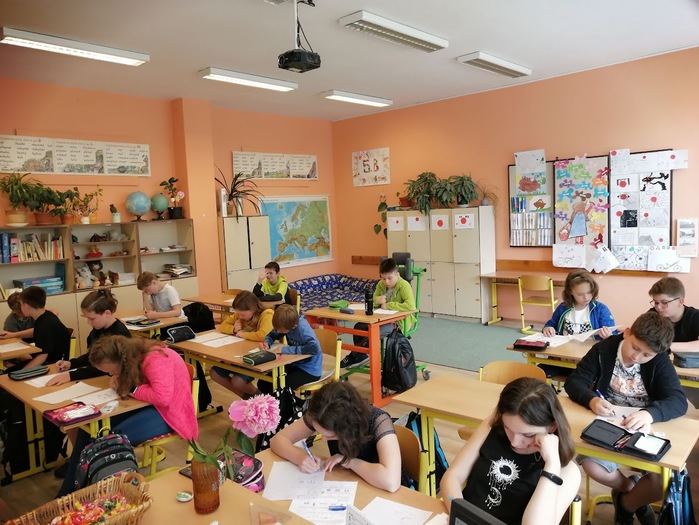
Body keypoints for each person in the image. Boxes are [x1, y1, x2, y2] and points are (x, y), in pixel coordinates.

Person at [564, 311, 687, 525]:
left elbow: (678, 400)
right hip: (609, 425)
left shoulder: (659, 360)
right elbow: (574, 382)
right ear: (627, 333)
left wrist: (649, 413)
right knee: (592, 466)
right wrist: (592, 400)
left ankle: (626, 505)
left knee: (661, 482)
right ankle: (630, 490)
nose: (637, 357)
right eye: (635, 348)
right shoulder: (604, 350)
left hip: (641, 429)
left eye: (646, 355)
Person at [56, 335, 198, 496]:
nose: (110, 374)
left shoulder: (155, 359)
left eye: (111, 370)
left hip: (171, 414)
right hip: (149, 406)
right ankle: (70, 491)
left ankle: (95, 491)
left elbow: (162, 398)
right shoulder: (133, 357)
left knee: (109, 439)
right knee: (87, 428)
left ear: (121, 360)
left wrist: (130, 388)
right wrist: (119, 379)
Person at [441, 377, 580, 525]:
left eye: (528, 435)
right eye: (508, 428)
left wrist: (552, 465)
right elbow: (452, 477)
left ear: (552, 426)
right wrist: (461, 516)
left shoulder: (567, 471)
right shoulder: (492, 426)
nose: (514, 442)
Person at [270, 381, 401, 493]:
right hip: (347, 483)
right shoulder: (320, 415)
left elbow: (391, 482)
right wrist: (299, 457)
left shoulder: (379, 421)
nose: (323, 439)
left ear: (346, 429)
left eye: (330, 436)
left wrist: (349, 461)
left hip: (379, 490)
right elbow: (277, 440)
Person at [340, 258, 416, 369]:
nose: (386, 282)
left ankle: (356, 355)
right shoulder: (381, 284)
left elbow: (411, 306)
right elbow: (373, 301)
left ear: (397, 274)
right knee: (358, 327)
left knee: (374, 331)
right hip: (380, 319)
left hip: (398, 322)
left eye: (389, 278)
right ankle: (362, 355)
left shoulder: (404, 285)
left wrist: (388, 305)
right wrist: (377, 300)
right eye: (383, 278)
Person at [47, 289, 132, 386]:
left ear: (107, 313)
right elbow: (92, 357)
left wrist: (71, 375)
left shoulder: (118, 335)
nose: (88, 322)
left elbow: (103, 367)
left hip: (115, 381)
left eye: (92, 318)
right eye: (87, 318)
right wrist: (71, 364)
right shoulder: (98, 329)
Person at [541, 269, 616, 378]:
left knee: (581, 381)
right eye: (580, 294)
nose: (586, 297)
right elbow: (550, 324)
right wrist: (547, 328)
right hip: (562, 356)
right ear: (570, 292)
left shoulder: (600, 309)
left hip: (587, 360)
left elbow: (613, 336)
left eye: (589, 292)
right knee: (538, 373)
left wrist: (608, 336)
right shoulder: (563, 308)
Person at [210, 291, 274, 395]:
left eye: (243, 314)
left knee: (238, 381)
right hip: (241, 353)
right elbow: (223, 326)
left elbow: (263, 335)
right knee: (215, 373)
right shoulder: (240, 314)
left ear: (253, 309)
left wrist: (244, 334)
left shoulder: (267, 314)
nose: (240, 317)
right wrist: (234, 329)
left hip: (259, 354)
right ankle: (248, 399)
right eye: (238, 314)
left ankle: (261, 398)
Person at [17, 286, 71, 369]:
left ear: (26, 305)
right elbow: (37, 333)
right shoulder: (47, 316)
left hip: (53, 365)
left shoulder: (44, 324)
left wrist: (22, 372)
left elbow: (42, 357)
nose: (20, 308)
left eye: (21, 304)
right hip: (52, 360)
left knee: (9, 372)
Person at [648, 276, 699, 352]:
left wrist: (665, 347)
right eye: (656, 302)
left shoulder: (695, 316)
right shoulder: (653, 315)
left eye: (664, 302)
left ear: (680, 302)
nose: (658, 307)